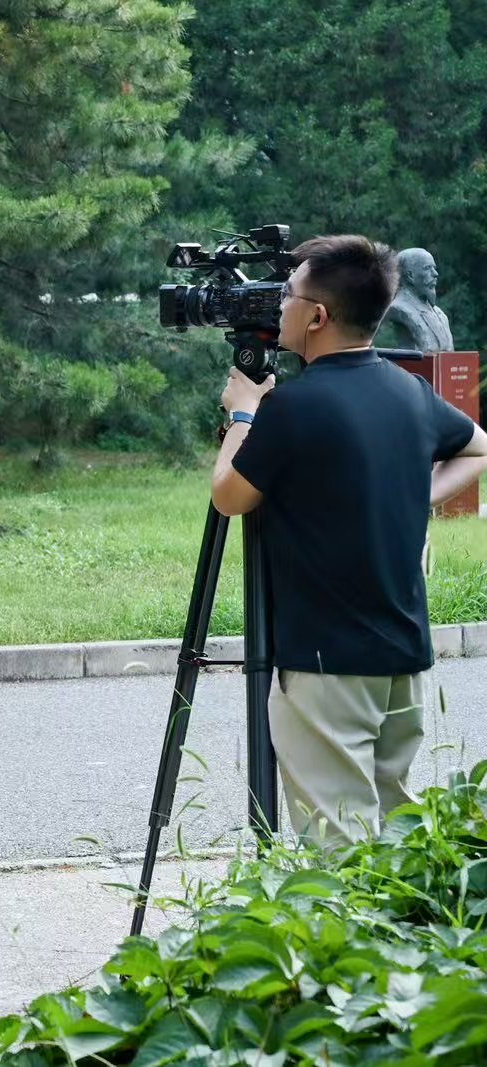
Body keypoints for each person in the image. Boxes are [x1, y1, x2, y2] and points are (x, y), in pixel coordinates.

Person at [210, 234, 487, 848]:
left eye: (286, 294)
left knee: (339, 851)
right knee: (395, 839)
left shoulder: (293, 408)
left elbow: (229, 496)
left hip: (325, 665)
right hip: (403, 657)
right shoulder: (408, 390)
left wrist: (244, 413)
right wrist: (412, 495)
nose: (276, 304)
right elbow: (479, 447)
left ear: (317, 316)